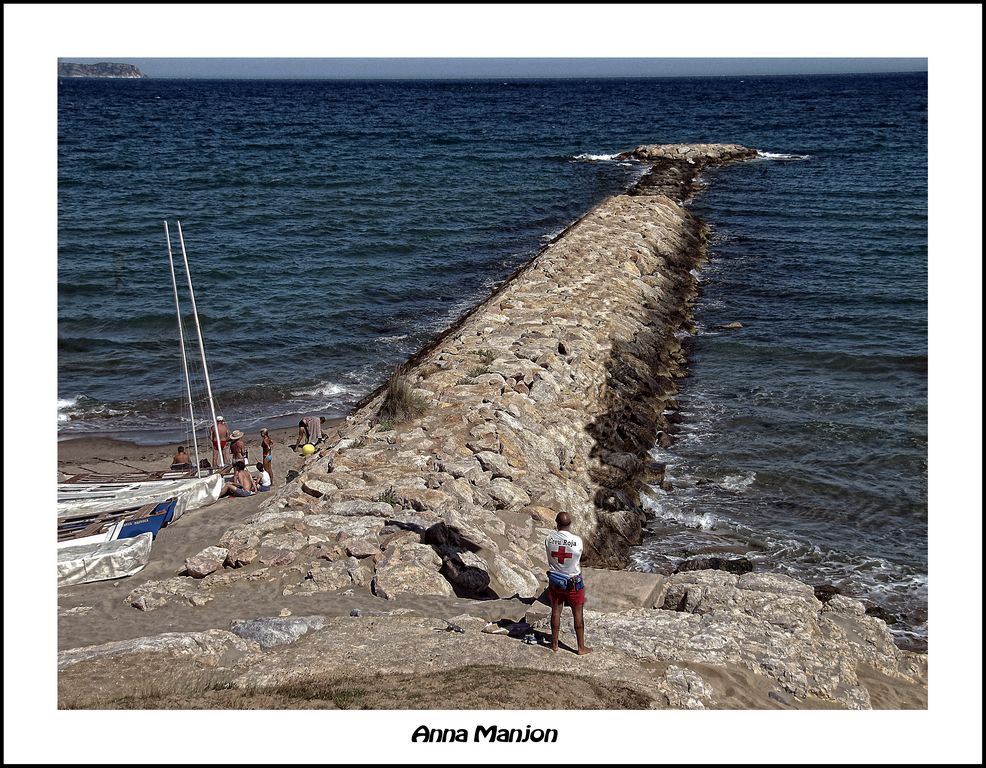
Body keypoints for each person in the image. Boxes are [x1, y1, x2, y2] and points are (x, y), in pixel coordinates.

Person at [544, 511, 592, 655]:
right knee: (578, 613)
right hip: (573, 582)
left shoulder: (548, 539)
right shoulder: (577, 540)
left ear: (556, 524)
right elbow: (581, 555)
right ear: (569, 524)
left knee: (556, 611)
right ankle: (581, 647)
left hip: (555, 581)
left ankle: (554, 644)